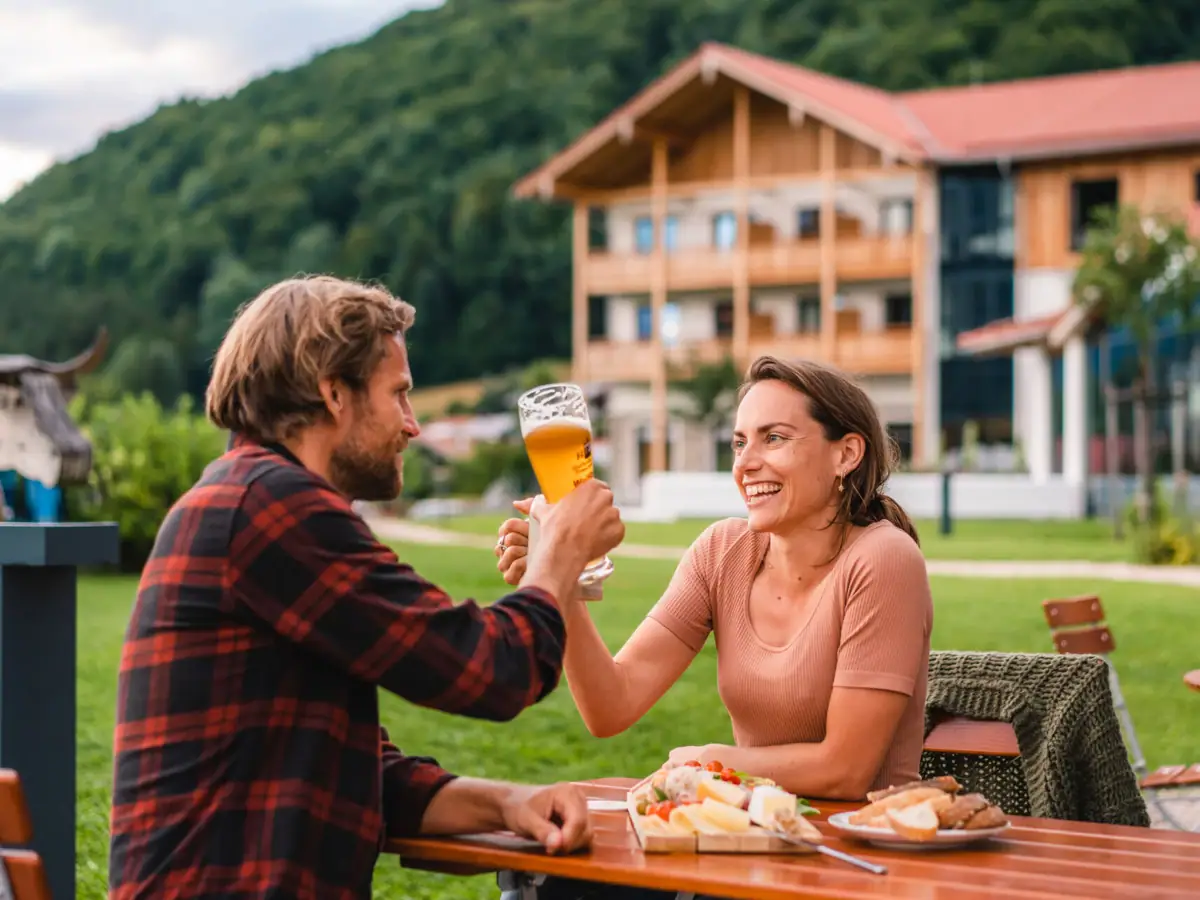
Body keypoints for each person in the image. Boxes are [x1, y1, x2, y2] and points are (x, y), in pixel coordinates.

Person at [108, 275, 625, 900]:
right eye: (399, 395)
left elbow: (353, 771)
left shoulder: (253, 499)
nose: (412, 426)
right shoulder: (271, 508)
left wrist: (510, 804)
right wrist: (560, 552)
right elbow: (492, 669)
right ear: (334, 394)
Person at [495, 355, 933, 802]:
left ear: (846, 454)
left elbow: (845, 770)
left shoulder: (884, 559)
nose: (746, 463)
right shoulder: (722, 551)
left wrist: (706, 761)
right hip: (759, 838)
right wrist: (562, 578)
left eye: (774, 438)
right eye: (739, 443)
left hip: (872, 851)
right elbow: (610, 707)